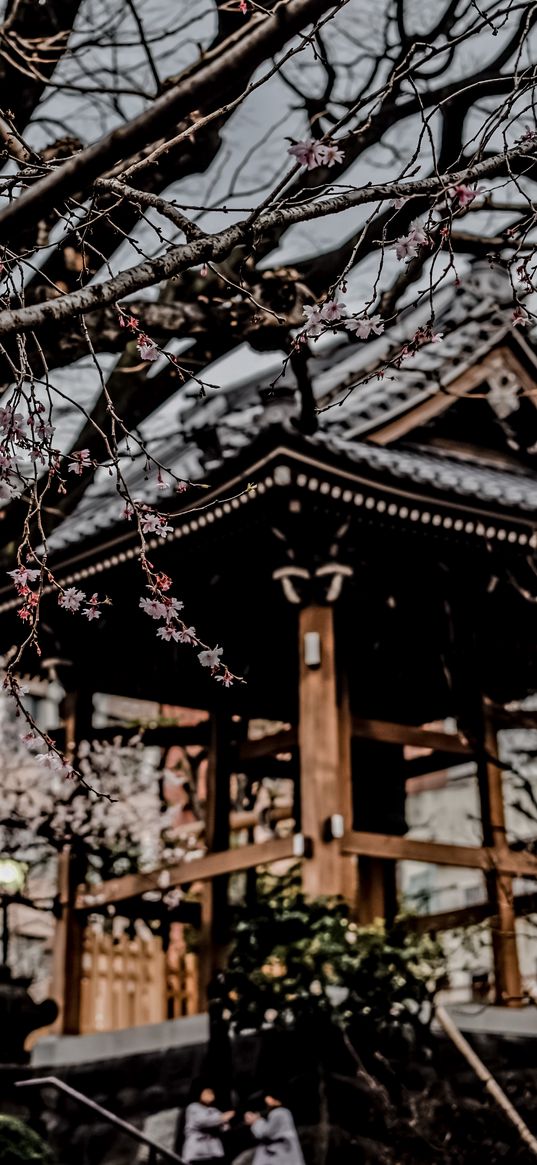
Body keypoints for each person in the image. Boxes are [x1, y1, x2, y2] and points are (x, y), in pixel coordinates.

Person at [244, 1092, 305, 1165]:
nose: (268, 1101)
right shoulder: (283, 1112)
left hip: (282, 1150)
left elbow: (266, 1132)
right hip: (284, 1150)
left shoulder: (278, 1113)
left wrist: (256, 1121)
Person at [182, 1085, 235, 1165]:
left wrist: (224, 1123)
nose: (209, 1095)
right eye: (206, 1093)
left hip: (213, 1151)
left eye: (211, 1093)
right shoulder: (193, 1107)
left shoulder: (215, 1110)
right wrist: (222, 1118)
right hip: (197, 1150)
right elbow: (203, 1121)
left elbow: (225, 1128)